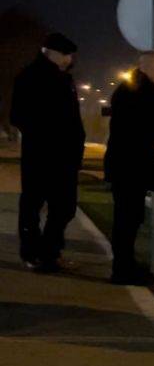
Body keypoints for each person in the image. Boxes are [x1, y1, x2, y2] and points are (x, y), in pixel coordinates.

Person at [10, 33, 85, 273]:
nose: (70, 59)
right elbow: (18, 115)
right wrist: (48, 133)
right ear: (51, 52)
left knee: (64, 207)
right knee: (33, 204)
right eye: (66, 55)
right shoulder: (31, 77)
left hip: (64, 156)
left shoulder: (63, 79)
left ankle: (49, 252)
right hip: (43, 154)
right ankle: (34, 253)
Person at [104, 51, 154, 285]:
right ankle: (122, 270)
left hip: (130, 166)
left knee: (130, 218)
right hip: (131, 167)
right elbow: (128, 129)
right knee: (127, 218)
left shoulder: (137, 90)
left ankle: (125, 266)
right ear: (144, 67)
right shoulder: (138, 92)